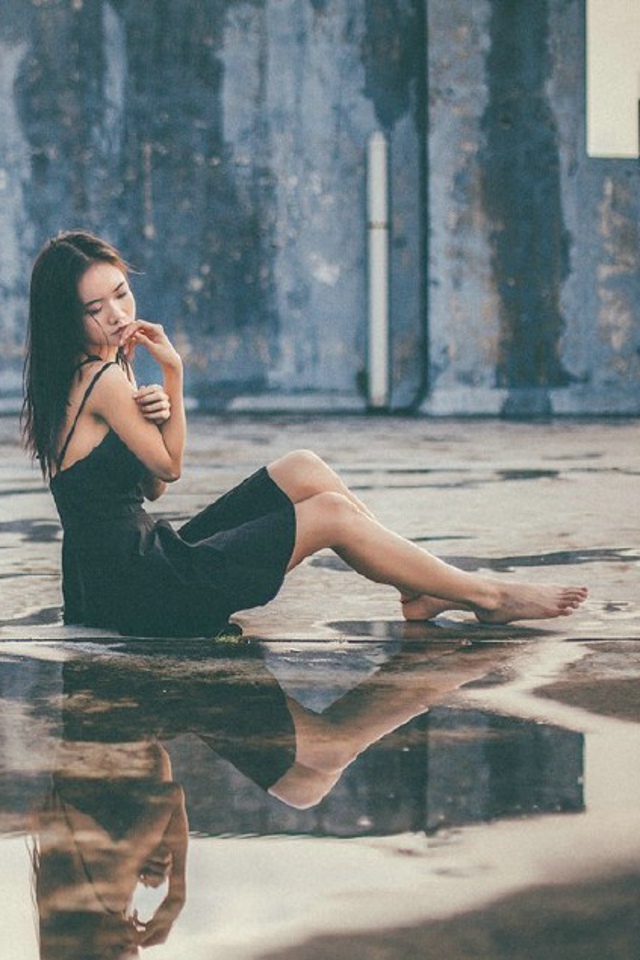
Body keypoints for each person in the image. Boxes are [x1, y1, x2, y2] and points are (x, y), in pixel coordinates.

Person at [22, 230, 588, 639]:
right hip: (142, 593)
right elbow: (170, 471)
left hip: (121, 578)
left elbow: (149, 492)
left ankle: (420, 587)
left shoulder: (92, 370)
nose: (118, 314)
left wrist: (155, 408)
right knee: (331, 516)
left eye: (121, 293)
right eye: (96, 308)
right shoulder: (102, 378)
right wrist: (174, 373)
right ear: (66, 319)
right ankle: (486, 596)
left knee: (304, 469)